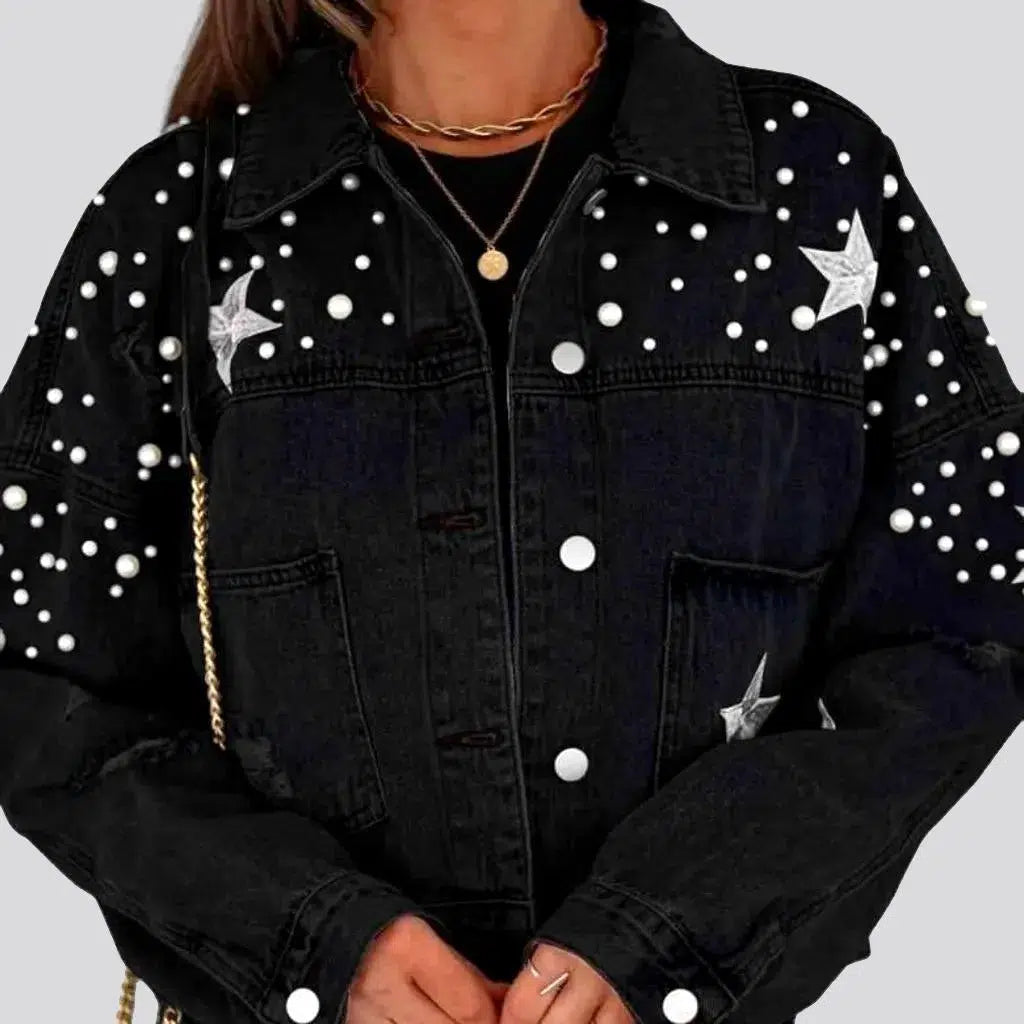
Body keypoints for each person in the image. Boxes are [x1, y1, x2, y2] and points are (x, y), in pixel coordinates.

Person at [0, 0, 1021, 1022]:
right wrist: (317, 942)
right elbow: (42, 684)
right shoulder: (178, 222)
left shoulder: (811, 181)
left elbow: (964, 618)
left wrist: (671, 933)